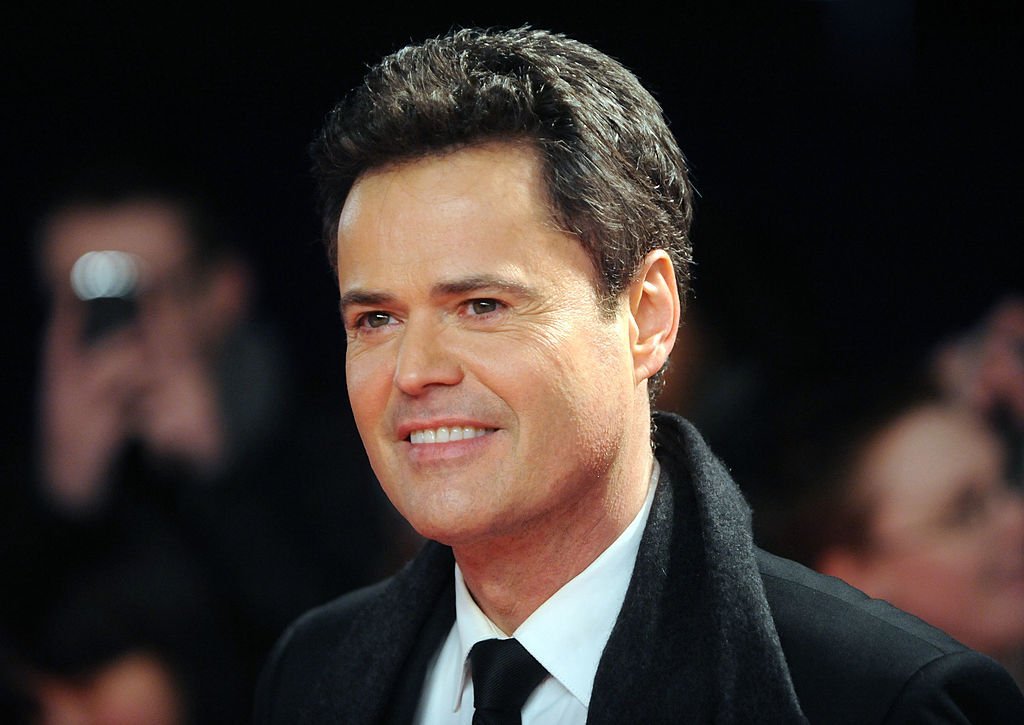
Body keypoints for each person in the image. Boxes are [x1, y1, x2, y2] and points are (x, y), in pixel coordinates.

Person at [254, 27, 1024, 723]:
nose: (414, 371)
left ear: (647, 315)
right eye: (376, 320)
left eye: (482, 305)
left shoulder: (878, 699)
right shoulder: (312, 673)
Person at [7, 164, 397, 723]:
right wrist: (64, 491)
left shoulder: (335, 433)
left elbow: (353, 650)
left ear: (223, 291)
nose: (116, 325)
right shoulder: (28, 461)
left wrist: (217, 472)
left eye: (142, 293)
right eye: (82, 298)